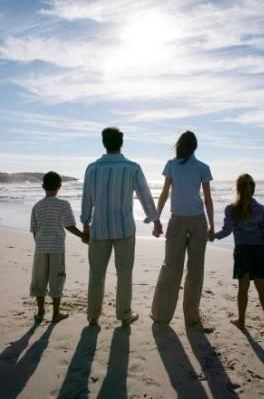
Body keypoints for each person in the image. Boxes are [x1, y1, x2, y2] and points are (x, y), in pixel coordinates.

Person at [81, 127, 162, 326]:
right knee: (124, 273)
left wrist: (85, 224)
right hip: (124, 228)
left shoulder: (92, 168)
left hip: (99, 228)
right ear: (121, 143)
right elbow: (145, 195)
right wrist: (156, 220)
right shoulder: (131, 167)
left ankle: (93, 315)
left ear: (103, 143)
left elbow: (87, 198)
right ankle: (124, 314)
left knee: (96, 273)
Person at [150, 130, 214, 326]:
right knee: (195, 270)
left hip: (177, 220)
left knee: (171, 267)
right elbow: (208, 199)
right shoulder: (202, 167)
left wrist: (156, 219)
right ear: (195, 147)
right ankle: (191, 317)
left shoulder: (172, 165)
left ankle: (161, 314)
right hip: (197, 220)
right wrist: (212, 225)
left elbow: (164, 194)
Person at [210, 174, 264, 330]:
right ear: (253, 189)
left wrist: (213, 236)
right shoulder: (262, 210)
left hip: (243, 251)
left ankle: (242, 321)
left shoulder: (231, 209)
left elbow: (227, 231)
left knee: (243, 288)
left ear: (238, 189)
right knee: (261, 287)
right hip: (259, 251)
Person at [30, 171, 85, 323]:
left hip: (40, 248)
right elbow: (69, 225)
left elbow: (34, 231)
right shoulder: (63, 204)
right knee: (57, 278)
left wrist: (41, 243)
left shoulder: (37, 206)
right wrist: (83, 236)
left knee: (39, 279)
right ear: (59, 187)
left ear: (43, 186)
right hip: (57, 248)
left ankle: (40, 312)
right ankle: (55, 313)